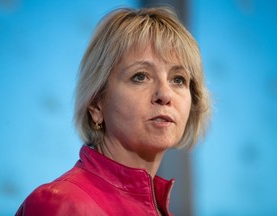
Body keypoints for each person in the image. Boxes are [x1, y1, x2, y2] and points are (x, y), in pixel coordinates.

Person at [15, 6, 210, 216]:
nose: (165, 94)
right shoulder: (60, 205)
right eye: (140, 76)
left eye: (178, 79)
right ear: (96, 104)